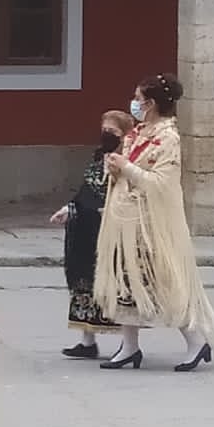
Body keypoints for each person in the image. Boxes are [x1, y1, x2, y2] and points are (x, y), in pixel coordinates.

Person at [93, 75, 214, 372]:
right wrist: (115, 169)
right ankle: (129, 346)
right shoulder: (137, 132)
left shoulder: (168, 138)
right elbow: (126, 171)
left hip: (150, 224)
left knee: (161, 280)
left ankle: (196, 340)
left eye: (138, 98)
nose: (134, 103)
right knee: (126, 282)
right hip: (126, 220)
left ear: (151, 103)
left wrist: (127, 167)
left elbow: (162, 183)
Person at [49, 110, 134, 359]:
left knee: (114, 284)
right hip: (85, 229)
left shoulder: (127, 162)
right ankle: (87, 341)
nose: (106, 135)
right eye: (104, 129)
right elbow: (85, 191)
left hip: (111, 228)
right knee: (83, 281)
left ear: (124, 134)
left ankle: (128, 344)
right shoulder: (98, 158)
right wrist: (69, 208)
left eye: (112, 131)